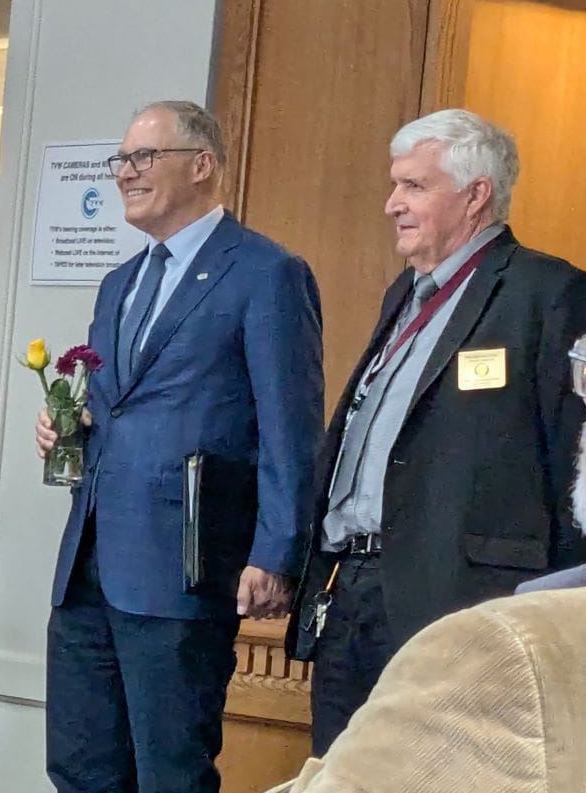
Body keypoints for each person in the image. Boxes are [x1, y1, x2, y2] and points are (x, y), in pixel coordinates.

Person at [35, 101, 324, 793]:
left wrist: (277, 550)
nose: (125, 174)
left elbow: (291, 424)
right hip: (90, 566)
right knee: (80, 767)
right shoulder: (118, 284)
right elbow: (120, 404)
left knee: (170, 773)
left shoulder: (266, 273)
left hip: (182, 571)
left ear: (202, 165)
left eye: (143, 158)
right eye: (122, 160)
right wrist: (68, 426)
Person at [287, 109, 586, 755]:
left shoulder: (546, 291)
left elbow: (572, 464)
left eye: (414, 186)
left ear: (476, 194)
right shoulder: (406, 292)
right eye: (396, 185)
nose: (392, 203)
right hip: (353, 591)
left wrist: (558, 615)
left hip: (459, 597)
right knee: (343, 770)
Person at [263, 337, 586, 793]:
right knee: (337, 752)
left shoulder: (542, 291)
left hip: (445, 592)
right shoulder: (406, 298)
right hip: (347, 583)